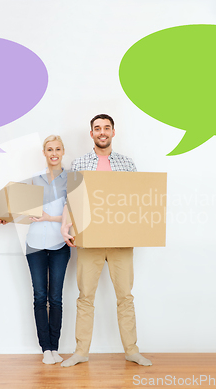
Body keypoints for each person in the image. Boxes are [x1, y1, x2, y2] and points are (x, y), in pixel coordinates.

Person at [60, 114, 152, 367]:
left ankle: (132, 350)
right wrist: (65, 225)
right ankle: (81, 352)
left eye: (106, 128)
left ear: (113, 132)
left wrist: (143, 228)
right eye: (97, 128)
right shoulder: (79, 163)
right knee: (85, 295)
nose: (102, 132)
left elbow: (137, 200)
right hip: (89, 238)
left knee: (125, 296)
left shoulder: (127, 163)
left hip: (121, 240)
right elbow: (72, 198)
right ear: (91, 134)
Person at [0, 135, 70, 365]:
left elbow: (74, 213)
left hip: (60, 245)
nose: (53, 153)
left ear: (63, 152)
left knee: (55, 298)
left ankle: (55, 347)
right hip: (35, 245)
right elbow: (23, 206)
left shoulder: (72, 180)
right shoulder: (34, 180)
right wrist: (7, 217)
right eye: (49, 149)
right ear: (44, 153)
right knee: (39, 296)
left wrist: (50, 217)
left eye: (57, 149)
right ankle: (45, 348)